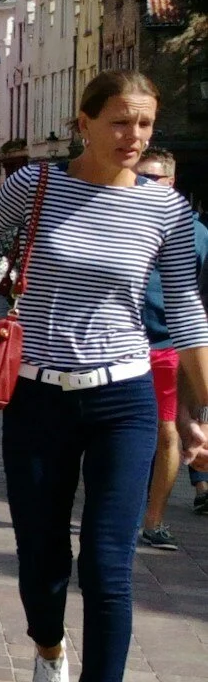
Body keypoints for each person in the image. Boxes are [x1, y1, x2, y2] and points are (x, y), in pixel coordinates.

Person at [0, 72, 208, 682]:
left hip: (124, 397)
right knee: (42, 552)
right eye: (119, 121)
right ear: (83, 122)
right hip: (38, 396)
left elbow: (186, 308)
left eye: (144, 123)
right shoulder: (35, 186)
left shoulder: (166, 208)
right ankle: (49, 649)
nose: (134, 136)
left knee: (109, 563)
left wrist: (203, 411)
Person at [134, 148, 208, 548]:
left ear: (171, 182)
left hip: (165, 344)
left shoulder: (196, 233)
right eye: (138, 177)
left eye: (152, 178)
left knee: (167, 433)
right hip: (117, 346)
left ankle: (154, 520)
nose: (143, 185)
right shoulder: (121, 219)